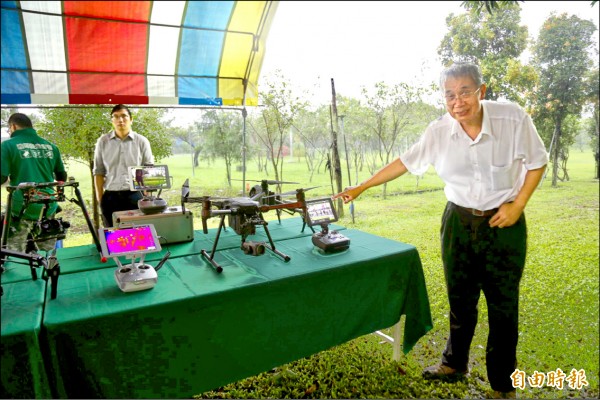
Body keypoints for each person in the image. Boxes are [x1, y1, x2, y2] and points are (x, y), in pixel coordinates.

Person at [333, 62, 548, 399]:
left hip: (503, 223)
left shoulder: (512, 118)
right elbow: (405, 162)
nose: (457, 101)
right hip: (458, 222)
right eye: (449, 95)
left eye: (464, 92)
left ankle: (503, 385)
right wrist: (361, 187)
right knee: (460, 300)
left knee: (503, 306)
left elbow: (537, 161)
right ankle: (454, 363)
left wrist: (518, 204)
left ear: (482, 91)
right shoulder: (438, 131)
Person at [1, 113, 68, 253]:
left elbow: (2, 177)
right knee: (46, 256)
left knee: (15, 256)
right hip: (48, 205)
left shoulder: (7, 146)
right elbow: (61, 176)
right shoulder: (51, 146)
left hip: (21, 208)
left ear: (13, 126)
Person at [93, 104, 154, 227]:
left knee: (138, 236)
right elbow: (98, 172)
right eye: (115, 117)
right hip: (110, 197)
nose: (120, 120)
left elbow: (149, 170)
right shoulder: (103, 142)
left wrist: (146, 198)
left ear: (131, 119)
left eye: (124, 116)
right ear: (112, 120)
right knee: (113, 238)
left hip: (136, 196)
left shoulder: (141, 141)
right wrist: (101, 200)